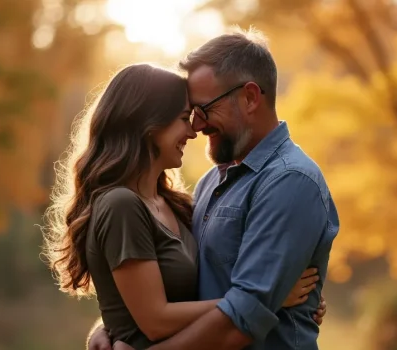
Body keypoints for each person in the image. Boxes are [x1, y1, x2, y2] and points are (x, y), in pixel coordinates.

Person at [42, 63, 327, 350]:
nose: (193, 131)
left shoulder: (175, 204)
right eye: (183, 118)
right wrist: (266, 299)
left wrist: (280, 292)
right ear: (148, 125)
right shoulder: (121, 205)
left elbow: (161, 294)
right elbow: (155, 320)